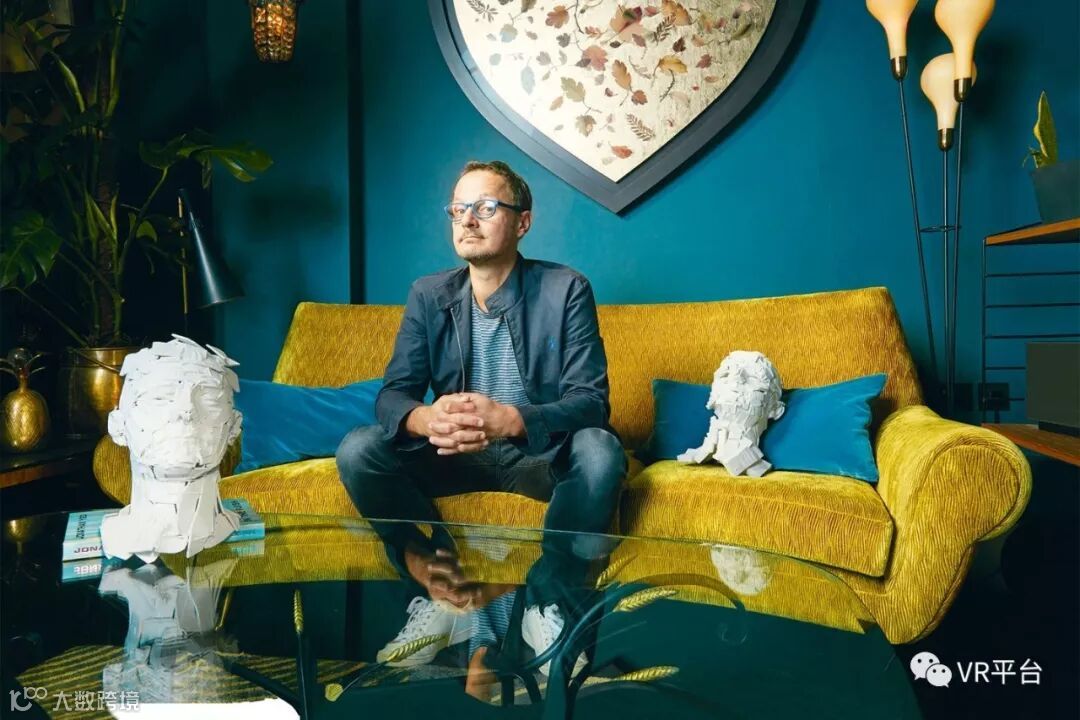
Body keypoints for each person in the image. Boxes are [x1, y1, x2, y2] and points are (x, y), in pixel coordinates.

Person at [336, 160, 626, 671]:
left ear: (522, 221)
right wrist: (427, 420)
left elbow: (591, 402)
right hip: (455, 457)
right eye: (458, 209)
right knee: (359, 448)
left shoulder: (566, 289)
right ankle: (435, 591)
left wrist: (511, 419)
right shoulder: (429, 294)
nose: (468, 220)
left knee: (601, 449)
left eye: (486, 207)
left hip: (537, 458)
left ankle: (546, 605)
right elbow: (393, 396)